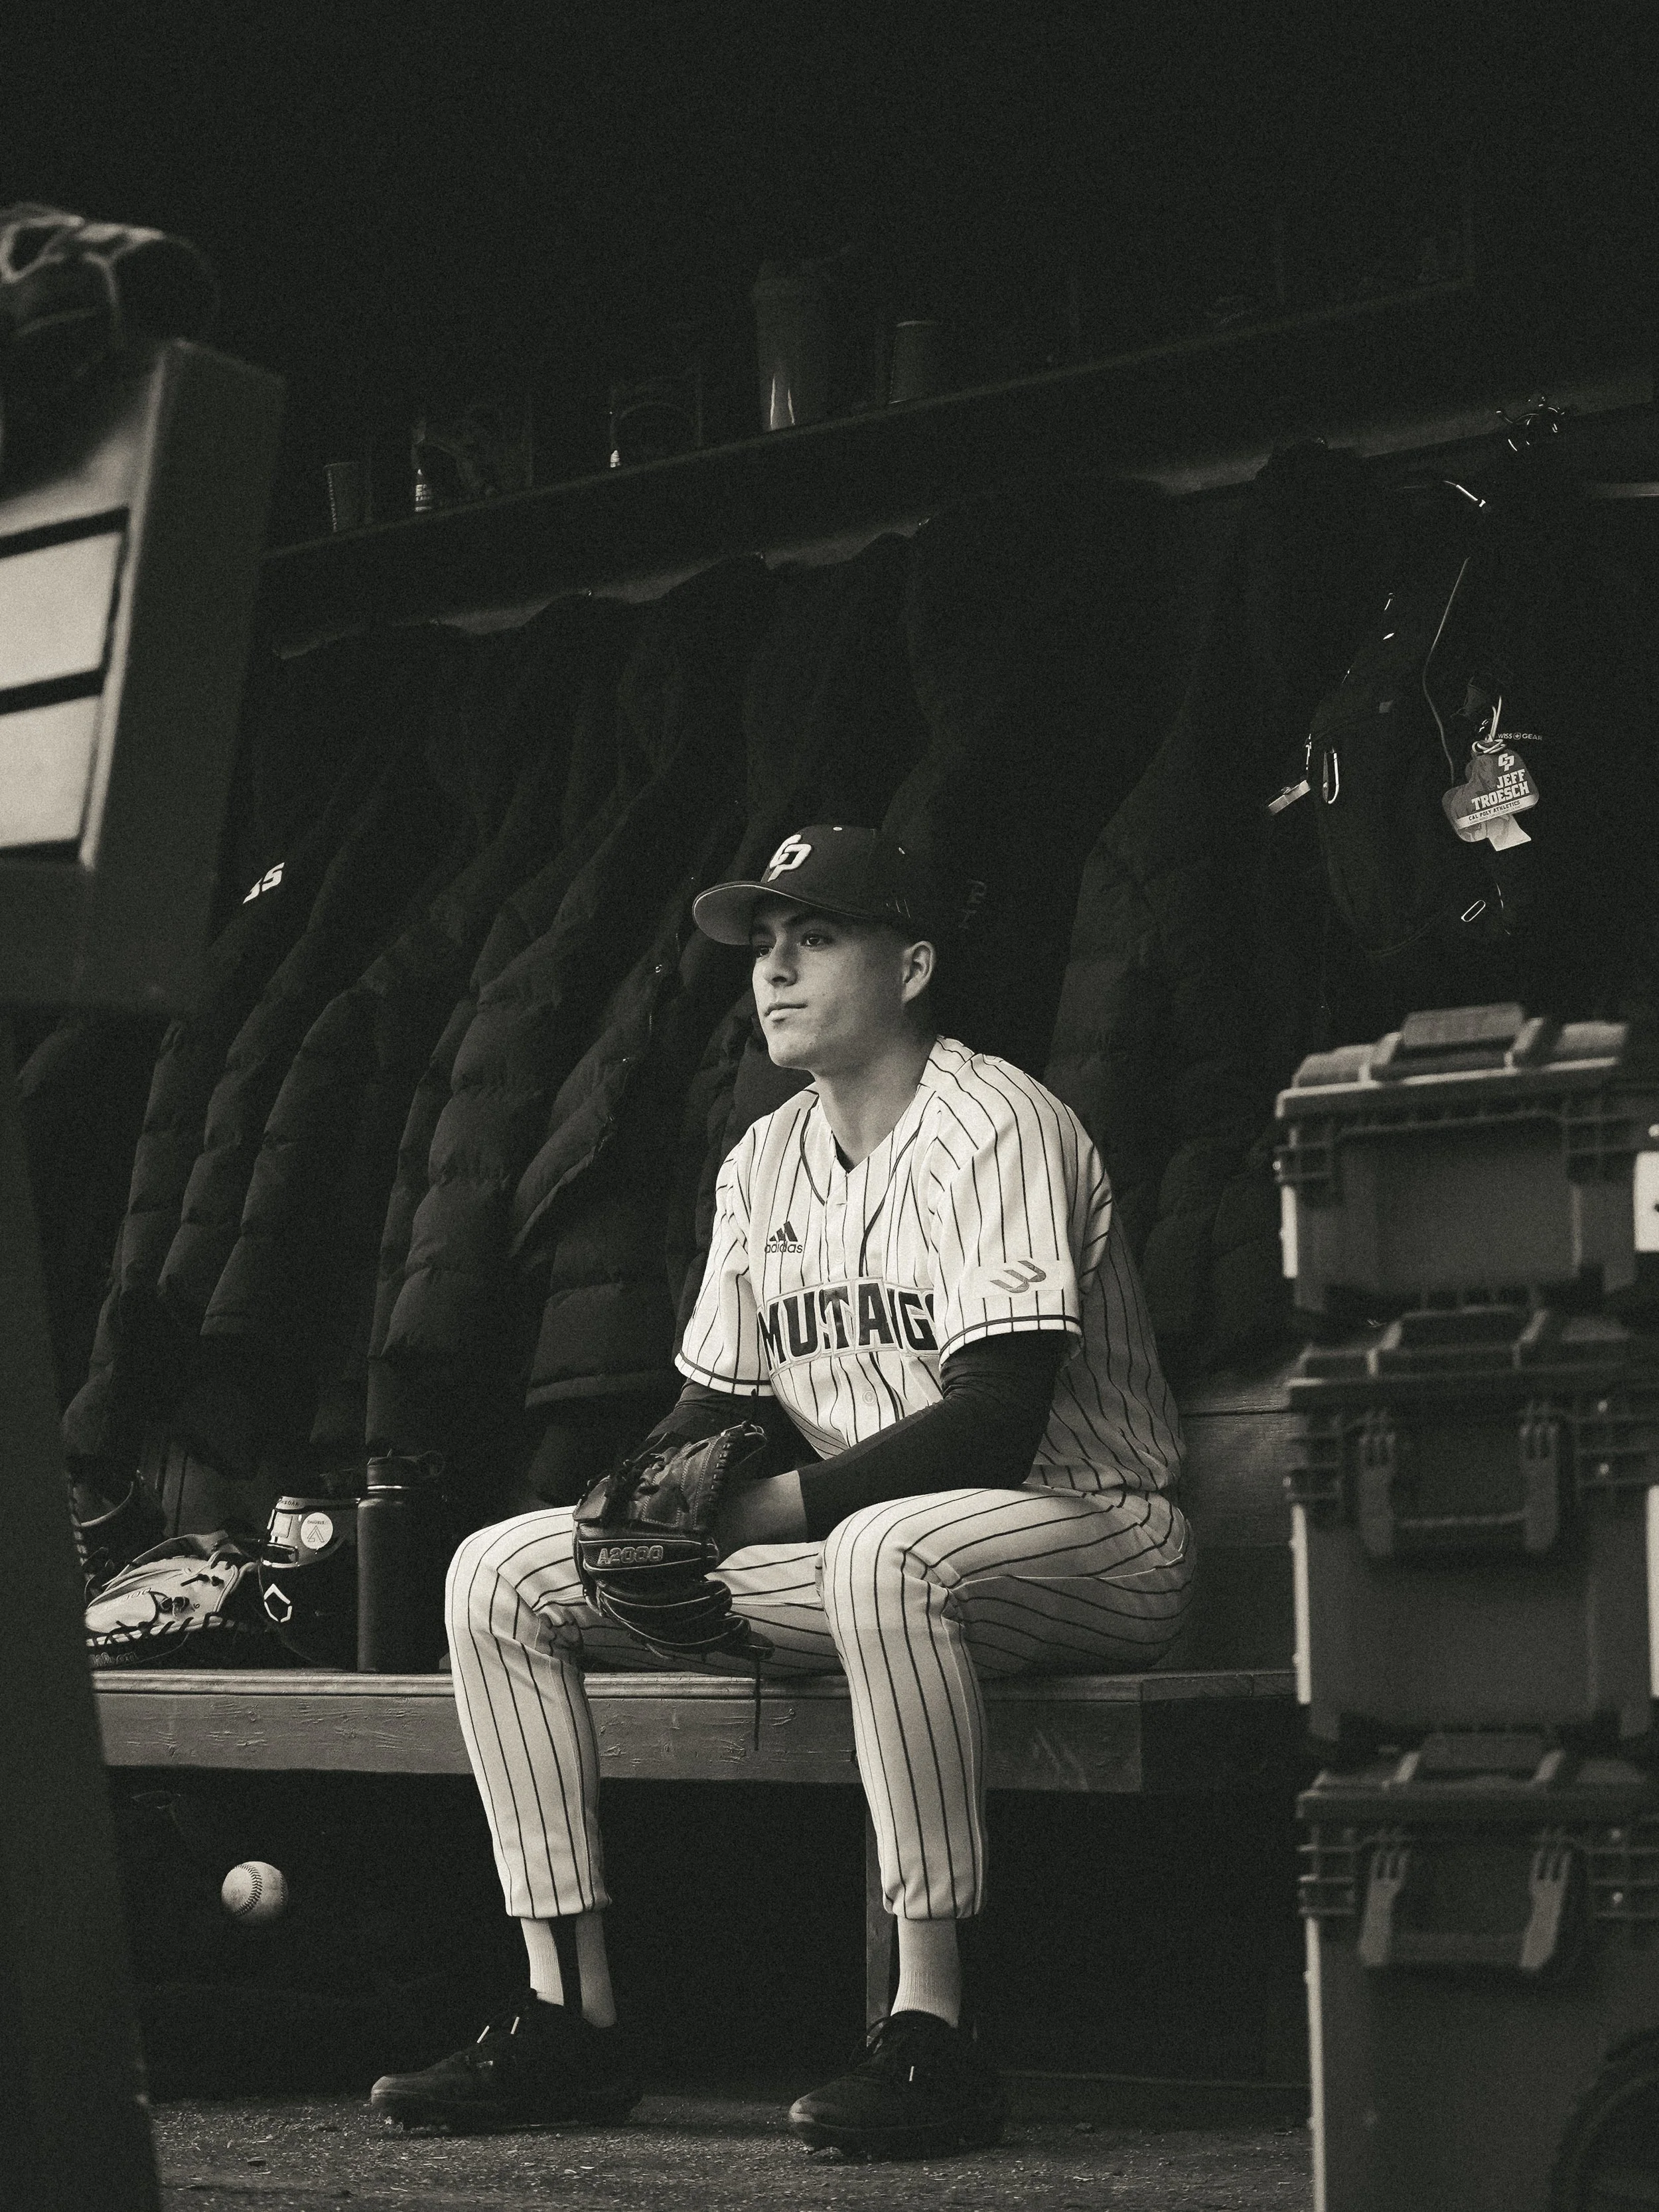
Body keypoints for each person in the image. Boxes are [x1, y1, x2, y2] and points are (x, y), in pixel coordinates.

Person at [369, 824, 1192, 2158]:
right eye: (763, 944)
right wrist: (636, 1496)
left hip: (1088, 1538)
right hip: (870, 1563)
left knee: (884, 1554)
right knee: (498, 1575)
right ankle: (563, 2015)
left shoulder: (1000, 1125)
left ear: (912, 962)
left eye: (815, 936)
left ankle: (932, 2031)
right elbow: (716, 1406)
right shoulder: (762, 1157)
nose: (774, 971)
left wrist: (754, 1514)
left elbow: (991, 1419)